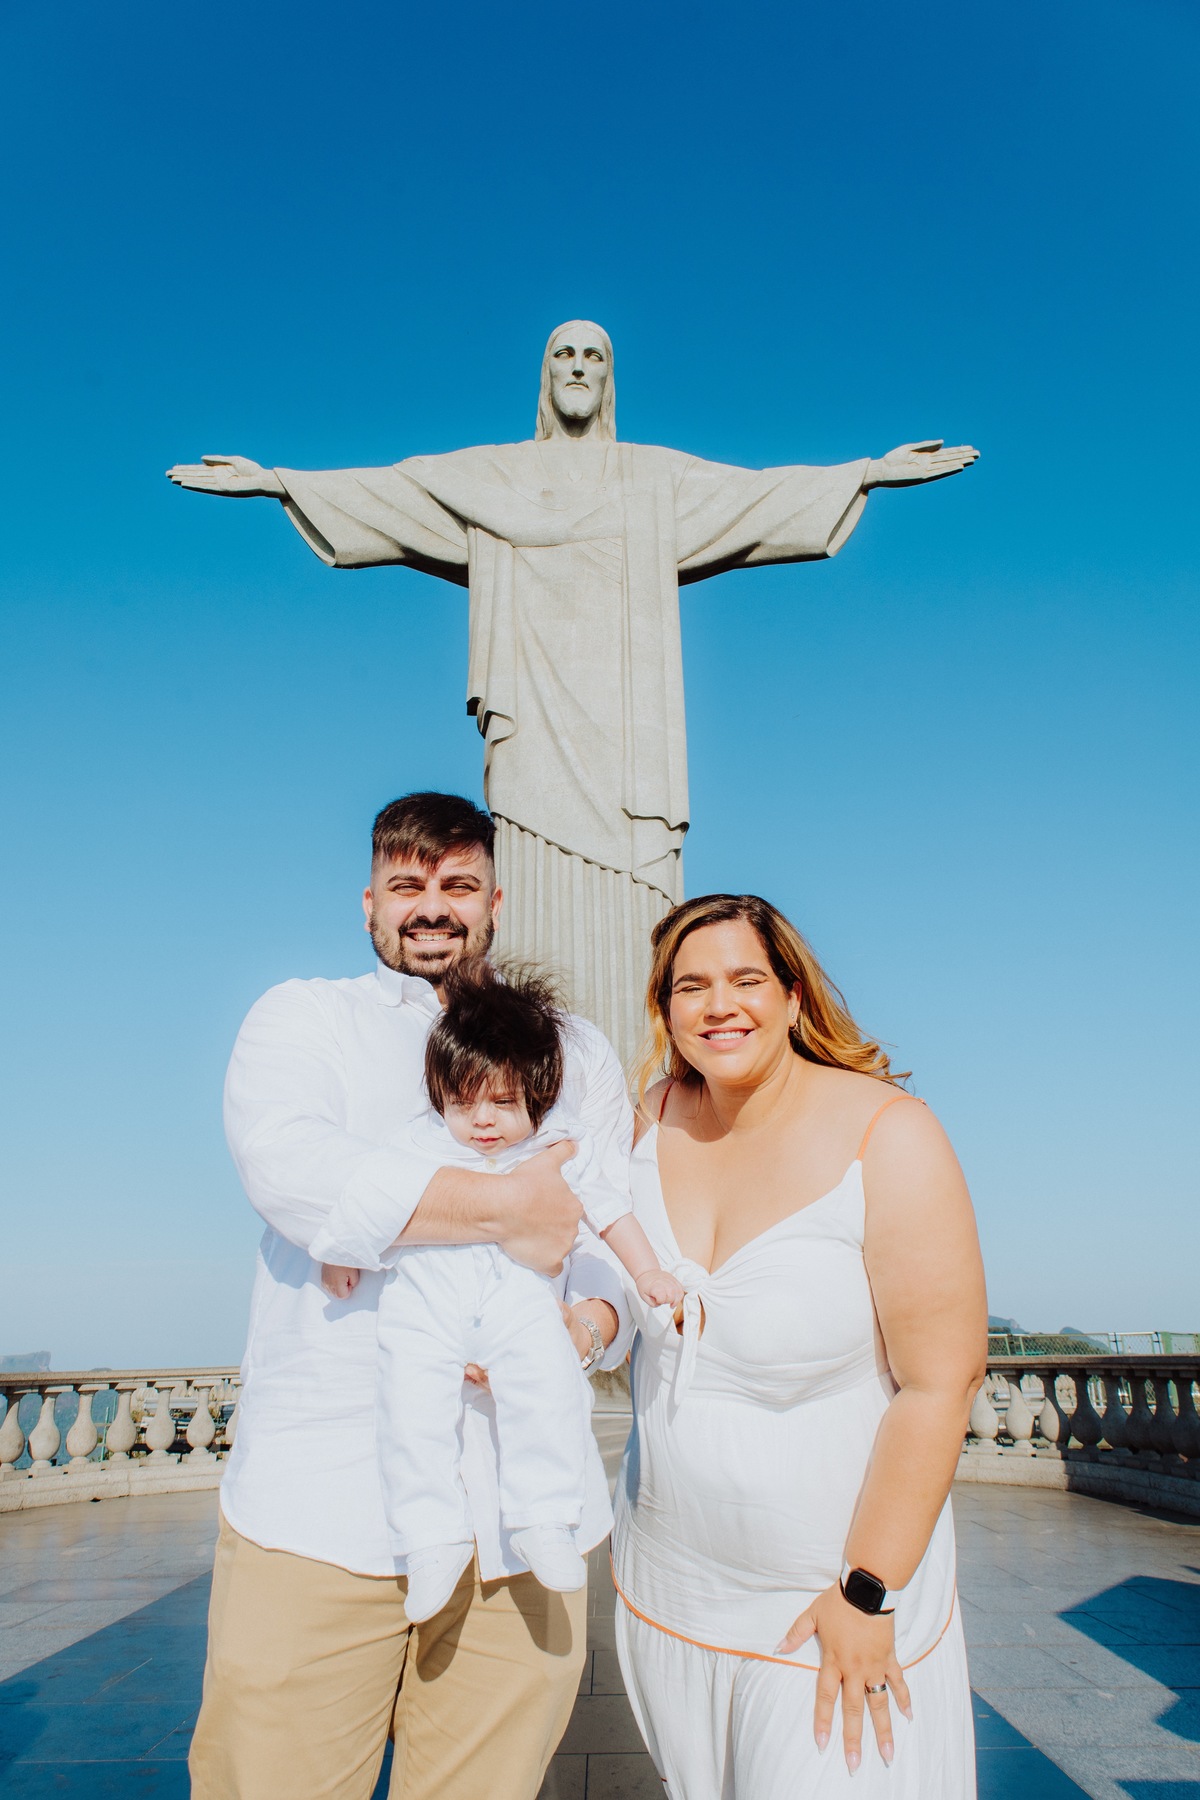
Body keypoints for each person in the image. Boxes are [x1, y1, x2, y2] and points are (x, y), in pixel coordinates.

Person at [188, 793, 634, 1800]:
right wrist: (511, 1209)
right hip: (322, 1506)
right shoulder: (302, 1016)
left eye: (457, 886)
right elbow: (299, 1175)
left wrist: (590, 1322)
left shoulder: (581, 1051)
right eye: (408, 886)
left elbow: (605, 1227)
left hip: (524, 1522)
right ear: (370, 904)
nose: (432, 906)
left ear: (494, 902)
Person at [611, 893, 988, 1798]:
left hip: (830, 1603)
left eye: (745, 980)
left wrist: (867, 1590)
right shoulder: (640, 1120)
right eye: (689, 986)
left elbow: (942, 1383)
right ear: (665, 1009)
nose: (718, 1005)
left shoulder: (888, 1134)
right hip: (671, 1596)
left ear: (791, 996)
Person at [317, 961, 683, 1620]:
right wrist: (342, 1257)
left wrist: (648, 1270)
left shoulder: (563, 1143)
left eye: (503, 1103)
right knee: (411, 1407)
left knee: (545, 1390)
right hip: (423, 1303)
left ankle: (543, 1516)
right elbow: (369, 1198)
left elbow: (609, 1209)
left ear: (538, 1093)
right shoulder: (419, 1139)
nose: (482, 1121)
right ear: (440, 1095)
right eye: (463, 1103)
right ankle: (430, 1538)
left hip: (519, 1298)